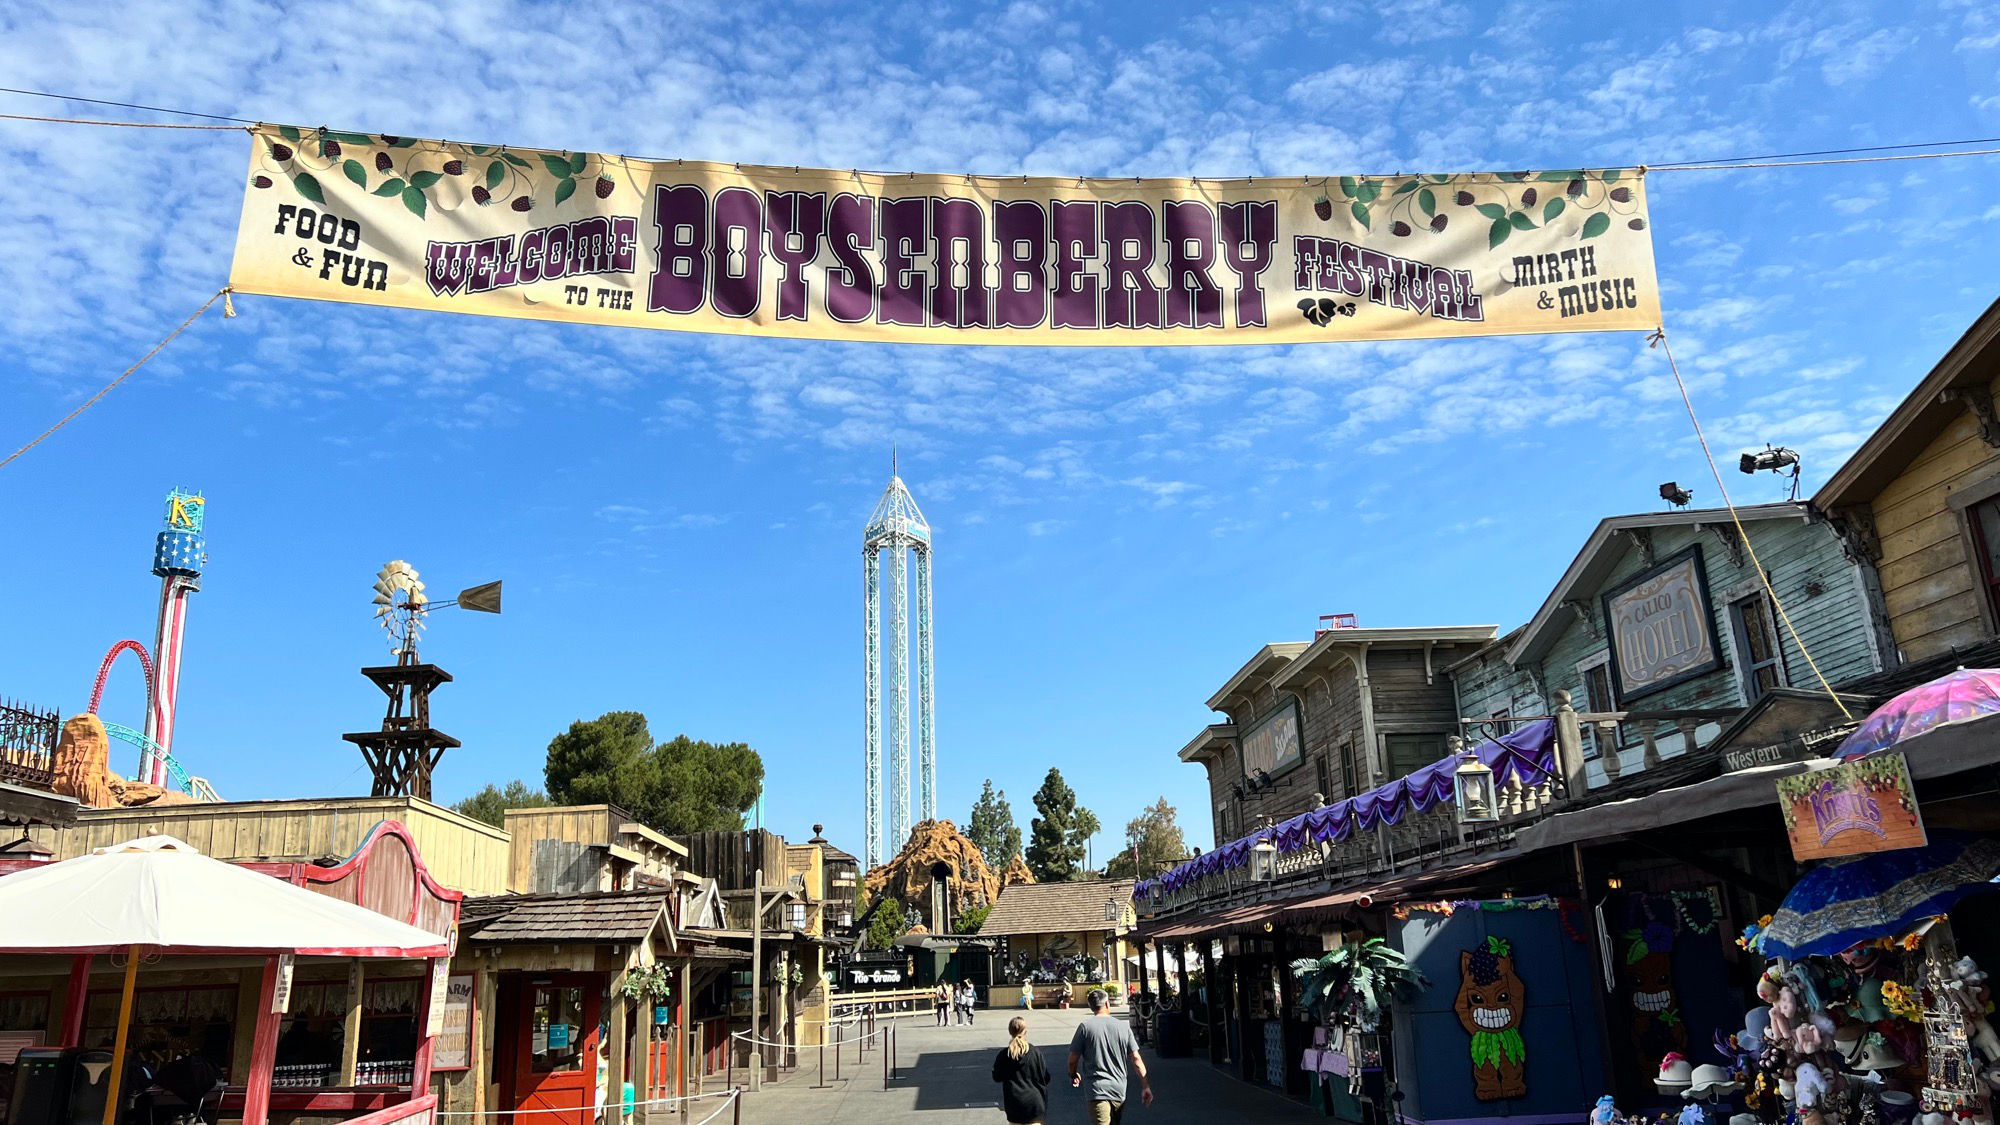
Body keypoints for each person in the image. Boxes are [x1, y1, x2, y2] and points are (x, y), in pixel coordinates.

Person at [1068, 988, 1151, 1124]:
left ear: (1091, 1006)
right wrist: (1145, 1086)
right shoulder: (1123, 1027)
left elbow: (1072, 1060)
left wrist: (1073, 1074)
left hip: (1097, 1090)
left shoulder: (1085, 1028)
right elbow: (1136, 1059)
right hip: (1119, 1090)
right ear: (1107, 1004)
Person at [991, 1016, 1051, 1125]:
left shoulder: (1004, 1055)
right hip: (1034, 1105)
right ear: (1025, 1031)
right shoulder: (1035, 1053)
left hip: (1014, 1105)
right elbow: (1046, 1077)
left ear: (1010, 1031)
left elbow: (997, 1077)